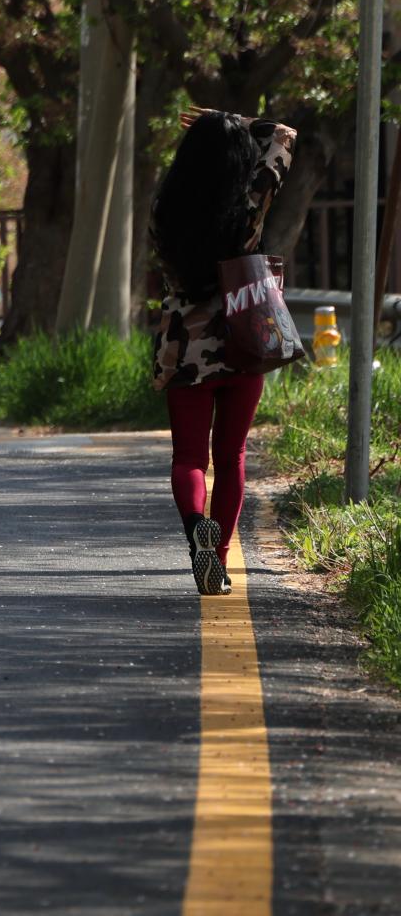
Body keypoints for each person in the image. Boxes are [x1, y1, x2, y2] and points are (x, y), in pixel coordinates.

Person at [150, 105, 297, 595]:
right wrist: (234, 121)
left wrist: (211, 129)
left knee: (188, 458)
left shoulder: (164, 209)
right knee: (231, 455)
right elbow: (284, 136)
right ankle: (217, 561)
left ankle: (196, 529)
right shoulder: (249, 205)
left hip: (184, 348)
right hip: (241, 341)